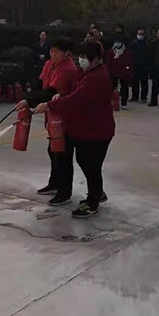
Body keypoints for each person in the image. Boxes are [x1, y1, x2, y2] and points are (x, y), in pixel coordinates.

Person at [34, 41, 115, 218]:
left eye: (85, 57)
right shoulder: (88, 72)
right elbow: (73, 90)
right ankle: (97, 193)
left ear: (97, 58)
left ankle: (92, 202)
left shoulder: (97, 77)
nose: (81, 60)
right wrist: (61, 95)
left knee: (90, 164)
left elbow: (76, 100)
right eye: (81, 57)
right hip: (86, 128)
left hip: (97, 130)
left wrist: (49, 105)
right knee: (86, 162)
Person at [18, 37, 81, 203]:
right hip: (53, 117)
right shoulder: (49, 64)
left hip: (65, 118)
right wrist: (27, 98)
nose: (53, 54)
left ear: (66, 53)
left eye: (57, 52)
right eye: (51, 51)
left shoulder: (68, 68)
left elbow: (50, 91)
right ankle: (54, 183)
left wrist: (29, 102)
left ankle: (64, 192)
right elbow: (40, 84)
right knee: (53, 151)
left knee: (62, 154)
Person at [107, 37, 134, 110]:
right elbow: (108, 62)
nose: (117, 43)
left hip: (124, 72)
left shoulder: (127, 52)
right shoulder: (111, 52)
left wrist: (129, 71)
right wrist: (109, 71)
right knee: (112, 88)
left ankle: (124, 103)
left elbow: (130, 63)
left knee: (124, 88)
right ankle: (113, 102)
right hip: (113, 72)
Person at [130, 28, 150, 102]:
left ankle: (143, 97)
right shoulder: (133, 43)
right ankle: (135, 97)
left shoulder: (147, 44)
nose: (140, 35)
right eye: (139, 34)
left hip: (144, 66)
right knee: (135, 82)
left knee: (144, 83)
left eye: (142, 34)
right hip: (135, 65)